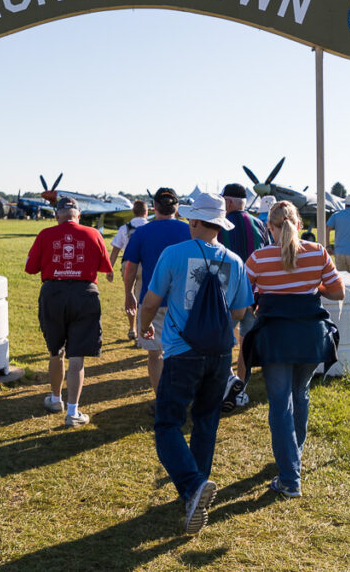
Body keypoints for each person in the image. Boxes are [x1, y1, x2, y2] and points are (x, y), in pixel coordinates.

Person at [137, 193, 253, 534]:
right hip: (219, 353)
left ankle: (191, 486)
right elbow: (239, 311)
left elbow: (152, 300)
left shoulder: (173, 254)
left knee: (168, 423)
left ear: (195, 222)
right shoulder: (235, 260)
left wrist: (143, 326)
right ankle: (196, 488)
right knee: (206, 421)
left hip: (180, 351)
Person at [243, 201, 345, 498]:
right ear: (299, 224)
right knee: (300, 394)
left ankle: (289, 477)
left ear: (269, 227)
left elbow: (243, 296)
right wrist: (313, 288)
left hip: (276, 338)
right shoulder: (317, 252)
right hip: (311, 336)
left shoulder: (259, 258)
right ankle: (293, 459)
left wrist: (262, 297)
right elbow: (337, 292)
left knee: (280, 404)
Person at [24, 197, 113, 428]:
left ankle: (55, 400)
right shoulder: (93, 233)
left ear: (57, 215)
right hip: (85, 294)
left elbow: (30, 268)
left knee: (56, 351)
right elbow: (105, 267)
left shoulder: (45, 234)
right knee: (77, 357)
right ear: (78, 215)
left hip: (53, 294)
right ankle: (73, 412)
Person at [123, 188, 190, 408]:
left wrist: (129, 294)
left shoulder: (142, 232)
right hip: (185, 302)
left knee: (155, 353)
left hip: (152, 300)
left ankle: (162, 400)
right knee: (182, 352)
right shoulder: (189, 230)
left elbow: (130, 268)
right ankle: (183, 397)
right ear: (176, 207)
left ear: (155, 207)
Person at [218, 183, 270, 411]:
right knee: (246, 344)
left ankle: (226, 383)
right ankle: (241, 388)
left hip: (225, 295)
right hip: (253, 295)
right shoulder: (260, 224)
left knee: (221, 342)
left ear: (227, 202)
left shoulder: (219, 226)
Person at [108, 199, 148, 339]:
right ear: (146, 212)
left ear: (133, 212)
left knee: (129, 298)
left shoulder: (124, 228)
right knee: (141, 299)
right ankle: (141, 333)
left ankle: (132, 329)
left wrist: (109, 269)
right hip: (145, 266)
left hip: (128, 266)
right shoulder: (150, 227)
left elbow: (115, 251)